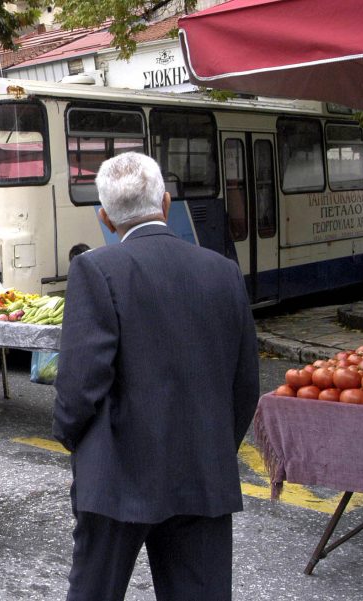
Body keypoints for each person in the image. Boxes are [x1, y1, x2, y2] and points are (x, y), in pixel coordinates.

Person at [53, 152, 259, 601]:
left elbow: (78, 387)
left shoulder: (96, 270)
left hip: (116, 478)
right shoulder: (224, 273)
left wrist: (76, 443)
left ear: (105, 219)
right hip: (202, 474)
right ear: (165, 203)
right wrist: (214, 444)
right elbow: (245, 385)